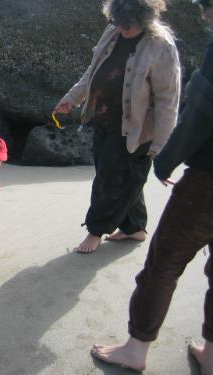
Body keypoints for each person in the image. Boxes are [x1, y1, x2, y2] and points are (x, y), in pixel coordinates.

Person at [90, 0, 213, 373]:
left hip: (208, 181)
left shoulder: (164, 47)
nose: (204, 13)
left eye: (208, 5)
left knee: (164, 264)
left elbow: (192, 110)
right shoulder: (112, 34)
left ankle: (136, 348)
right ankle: (211, 354)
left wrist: (164, 155)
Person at [55, 0, 181, 253]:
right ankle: (134, 227)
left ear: (144, 19)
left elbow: (169, 101)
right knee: (123, 176)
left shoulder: (161, 47)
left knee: (109, 180)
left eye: (128, 25)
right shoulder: (113, 32)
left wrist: (161, 147)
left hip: (134, 129)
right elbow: (92, 72)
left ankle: (95, 230)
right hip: (103, 119)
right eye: (117, 22)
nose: (122, 28)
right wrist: (72, 98)